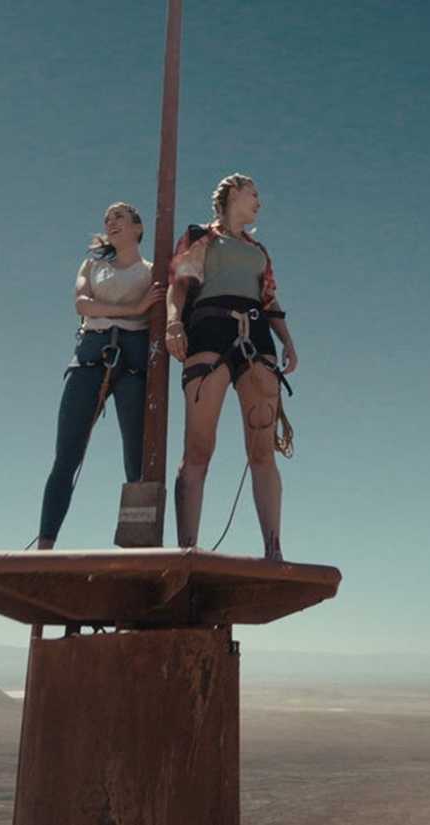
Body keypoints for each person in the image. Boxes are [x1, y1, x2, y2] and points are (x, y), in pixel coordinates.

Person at [164, 174, 298, 560]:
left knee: (262, 451)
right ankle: (187, 549)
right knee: (199, 447)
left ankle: (273, 549)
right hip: (209, 329)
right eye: (254, 193)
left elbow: (269, 298)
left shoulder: (259, 251)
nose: (259, 201)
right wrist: (174, 322)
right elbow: (180, 284)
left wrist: (288, 341)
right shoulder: (200, 237)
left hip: (257, 334)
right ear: (234, 192)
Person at [35, 203, 161, 550]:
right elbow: (83, 304)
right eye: (107, 219)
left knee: (137, 460)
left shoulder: (153, 271)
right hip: (90, 356)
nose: (111, 222)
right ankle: (45, 546)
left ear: (138, 227)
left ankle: (138, 547)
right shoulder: (92, 265)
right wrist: (134, 309)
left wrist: (136, 313)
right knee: (66, 454)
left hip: (133, 363)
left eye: (119, 216)